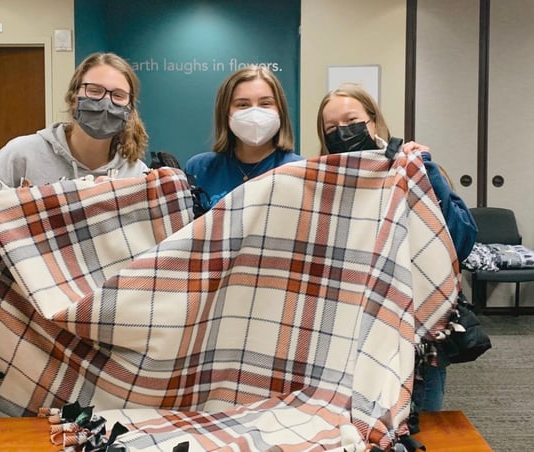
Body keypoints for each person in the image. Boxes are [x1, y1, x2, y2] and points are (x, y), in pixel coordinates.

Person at [316, 83, 478, 414]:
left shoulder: (413, 168)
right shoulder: (323, 183)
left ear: (373, 121)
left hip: (416, 333)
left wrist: (426, 171)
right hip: (349, 334)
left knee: (423, 424)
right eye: (332, 128)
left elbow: (461, 241)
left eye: (352, 120)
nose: (343, 133)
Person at [0, 52, 150, 239]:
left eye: (118, 96)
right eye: (94, 91)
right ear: (73, 99)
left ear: (129, 109)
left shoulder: (136, 176)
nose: (106, 102)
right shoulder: (22, 154)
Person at [184, 65, 302, 210]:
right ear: (226, 113)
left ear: (280, 111)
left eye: (265, 103)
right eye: (243, 105)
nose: (255, 113)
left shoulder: (299, 170)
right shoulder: (200, 168)